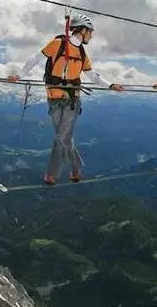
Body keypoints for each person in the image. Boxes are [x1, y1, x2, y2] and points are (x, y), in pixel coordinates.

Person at [7, 14, 124, 185]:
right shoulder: (58, 44)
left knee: (60, 138)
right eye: (90, 32)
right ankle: (76, 168)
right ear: (82, 30)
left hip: (72, 101)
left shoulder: (82, 53)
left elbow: (93, 75)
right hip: (53, 99)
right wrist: (19, 75)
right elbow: (35, 58)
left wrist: (110, 85)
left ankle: (51, 174)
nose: (91, 35)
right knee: (66, 139)